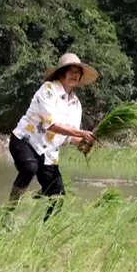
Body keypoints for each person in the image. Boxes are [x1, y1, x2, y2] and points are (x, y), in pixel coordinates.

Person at [7, 53, 98, 221]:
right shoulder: (48, 89)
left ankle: (47, 228)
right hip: (25, 141)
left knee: (58, 195)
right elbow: (51, 125)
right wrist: (81, 133)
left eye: (78, 72)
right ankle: (9, 212)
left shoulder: (76, 104)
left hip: (48, 153)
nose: (75, 75)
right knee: (29, 167)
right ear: (62, 72)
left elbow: (69, 137)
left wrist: (85, 142)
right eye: (71, 71)